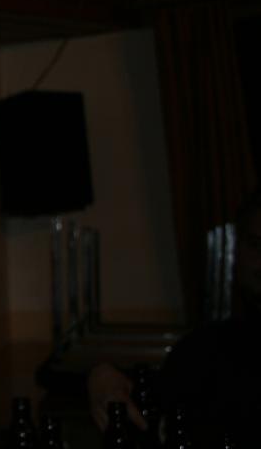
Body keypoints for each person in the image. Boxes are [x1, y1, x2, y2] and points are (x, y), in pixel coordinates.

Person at [88, 188, 261, 447]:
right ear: (237, 251)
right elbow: (149, 397)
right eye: (256, 245)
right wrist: (101, 376)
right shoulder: (205, 349)